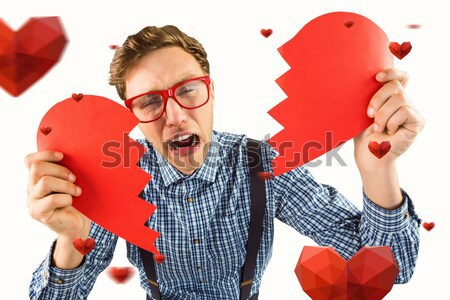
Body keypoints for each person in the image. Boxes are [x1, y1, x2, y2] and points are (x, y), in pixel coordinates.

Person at [27, 25, 424, 300]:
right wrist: (69, 239)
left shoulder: (265, 166)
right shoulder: (114, 180)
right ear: (132, 117)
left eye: (189, 90)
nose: (176, 115)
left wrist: (378, 170)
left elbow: (391, 270)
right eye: (150, 102)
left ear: (211, 93)